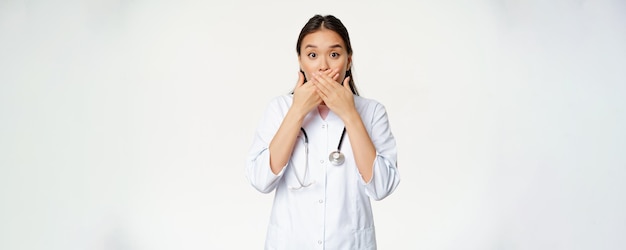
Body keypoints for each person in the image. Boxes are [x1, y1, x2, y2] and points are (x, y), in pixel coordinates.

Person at [246, 14, 400, 250]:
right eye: (312, 55)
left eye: (334, 54)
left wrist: (350, 114)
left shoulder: (371, 112)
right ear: (300, 61)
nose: (323, 66)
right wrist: (297, 111)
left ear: (348, 60)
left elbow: (382, 187)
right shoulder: (279, 109)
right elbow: (260, 180)